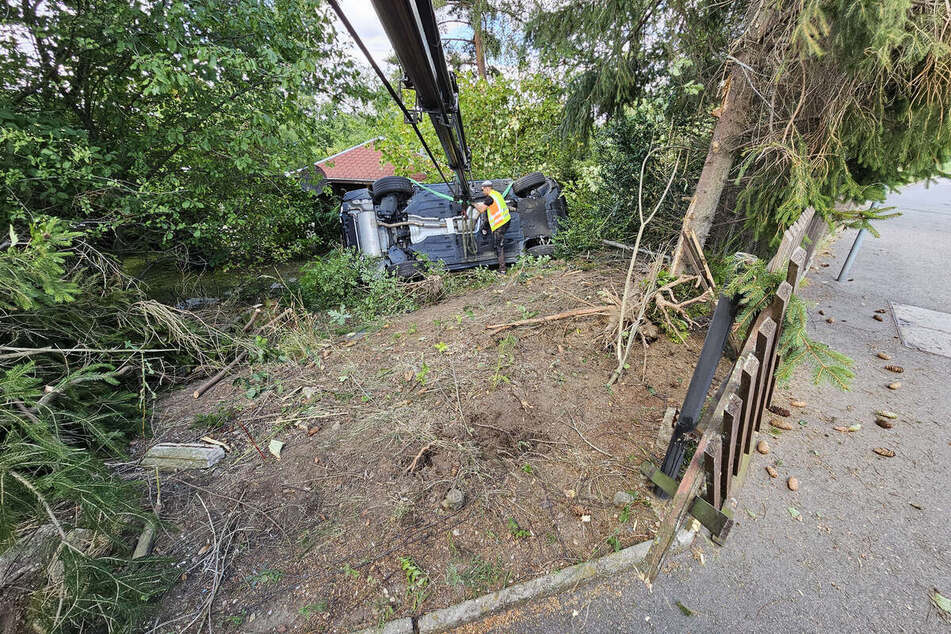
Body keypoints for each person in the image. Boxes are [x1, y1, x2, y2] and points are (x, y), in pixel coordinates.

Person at [472, 180, 511, 273]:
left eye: (483, 190)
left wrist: (473, 203)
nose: (482, 192)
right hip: (506, 220)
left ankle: (502, 270)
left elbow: (481, 209)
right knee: (487, 216)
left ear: (487, 188)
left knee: (498, 246)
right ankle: (485, 229)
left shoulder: (490, 198)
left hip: (499, 224)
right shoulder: (497, 194)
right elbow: (489, 209)